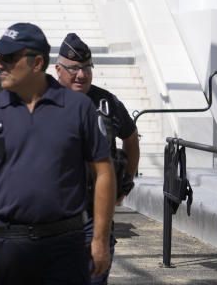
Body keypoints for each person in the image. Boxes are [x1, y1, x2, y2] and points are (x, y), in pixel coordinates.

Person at [0, 23, 115, 285]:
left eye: (8, 58)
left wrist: (100, 239)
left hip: (66, 246)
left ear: (37, 63)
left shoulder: (78, 108)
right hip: (8, 248)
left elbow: (104, 172)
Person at [54, 33, 141, 285]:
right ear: (58, 69)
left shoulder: (106, 102)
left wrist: (126, 182)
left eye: (86, 68)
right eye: (74, 69)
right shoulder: (41, 101)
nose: (81, 75)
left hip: (94, 215)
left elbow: (131, 139)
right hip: (51, 217)